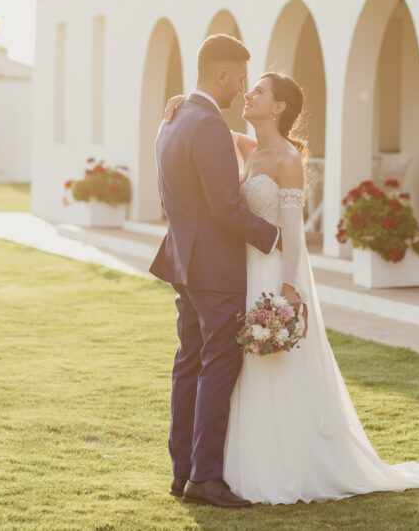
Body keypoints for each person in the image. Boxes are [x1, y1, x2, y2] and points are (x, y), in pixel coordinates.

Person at [162, 70, 419, 505]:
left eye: (258, 91)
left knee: (273, 368)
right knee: (240, 369)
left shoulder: (288, 160)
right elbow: (205, 125)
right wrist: (185, 99)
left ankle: (285, 464)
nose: (247, 94)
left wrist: (289, 289)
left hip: (272, 272)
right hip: (243, 271)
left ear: (278, 107)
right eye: (248, 87)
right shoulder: (247, 145)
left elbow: (292, 235)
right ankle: (230, 466)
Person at [150, 34, 296, 509]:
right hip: (213, 267)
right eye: (238, 80)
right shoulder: (207, 125)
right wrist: (275, 240)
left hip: (183, 261)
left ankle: (183, 471)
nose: (241, 90)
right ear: (221, 75)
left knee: (189, 360)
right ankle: (206, 477)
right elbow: (225, 207)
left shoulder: (171, 120)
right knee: (219, 362)